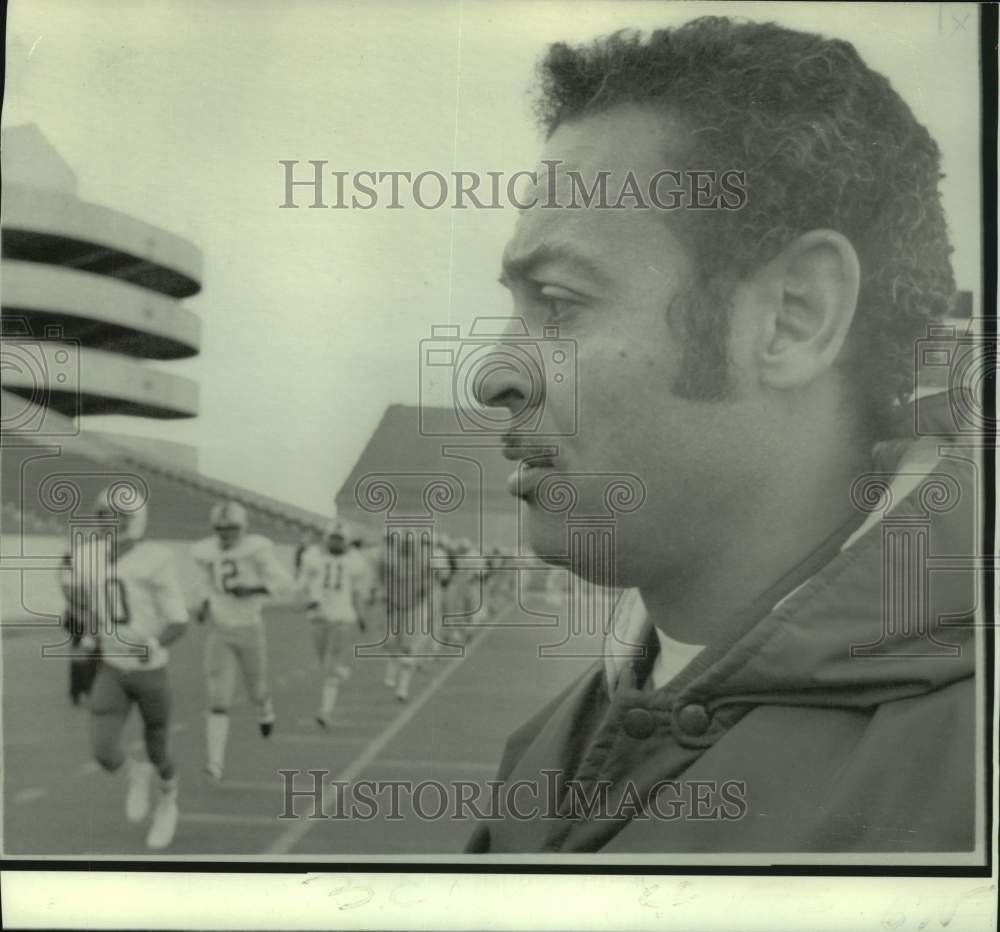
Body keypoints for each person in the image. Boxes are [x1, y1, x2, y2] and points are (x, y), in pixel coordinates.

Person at [467, 18, 977, 853]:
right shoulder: (543, 757)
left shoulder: (962, 785)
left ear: (792, 318)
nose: (494, 375)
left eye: (558, 303)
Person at [75, 484, 189, 850]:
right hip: (112, 668)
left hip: (150, 670)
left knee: (159, 752)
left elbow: (178, 621)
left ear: (133, 520)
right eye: (104, 515)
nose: (108, 522)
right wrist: (92, 633)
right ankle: (135, 774)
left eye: (117, 516)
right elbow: (93, 604)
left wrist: (152, 643)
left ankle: (169, 801)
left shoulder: (155, 558)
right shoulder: (88, 556)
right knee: (105, 752)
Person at [191, 500, 293, 781]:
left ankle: (265, 709)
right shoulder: (206, 552)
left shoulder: (257, 550)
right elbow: (204, 582)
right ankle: (215, 763)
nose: (226, 534)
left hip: (250, 627)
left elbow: (285, 583)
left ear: (243, 528)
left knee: (256, 690)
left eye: (231, 528)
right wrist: (202, 603)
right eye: (220, 529)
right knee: (218, 699)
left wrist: (254, 588)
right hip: (220, 629)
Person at [298, 518, 369, 726]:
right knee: (324, 662)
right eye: (333, 538)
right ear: (326, 539)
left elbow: (356, 591)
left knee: (330, 664)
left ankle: (325, 711)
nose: (337, 543)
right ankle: (339, 672)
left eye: (340, 539)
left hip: (341, 616)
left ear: (347, 541)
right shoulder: (313, 558)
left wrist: (361, 615)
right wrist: (305, 601)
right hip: (318, 616)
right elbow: (302, 585)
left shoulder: (354, 561)